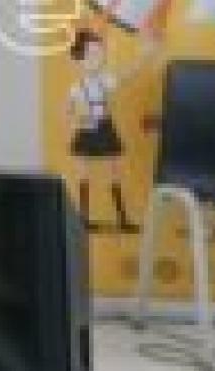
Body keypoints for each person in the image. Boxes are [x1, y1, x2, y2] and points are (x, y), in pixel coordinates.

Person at [66, 28, 160, 231]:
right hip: (86, 129)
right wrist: (79, 121)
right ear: (78, 59)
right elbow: (69, 112)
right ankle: (83, 219)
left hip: (105, 127)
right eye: (92, 54)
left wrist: (145, 54)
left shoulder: (105, 81)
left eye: (99, 54)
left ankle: (122, 219)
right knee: (83, 175)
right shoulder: (76, 88)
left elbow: (127, 74)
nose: (97, 59)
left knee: (115, 173)